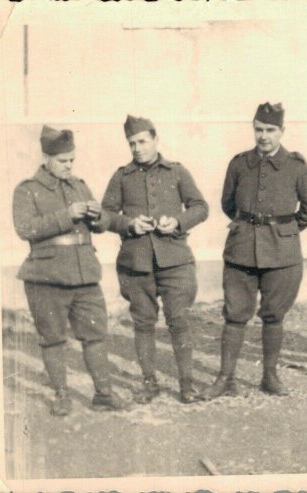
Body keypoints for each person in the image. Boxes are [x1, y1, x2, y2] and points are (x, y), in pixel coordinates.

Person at [201, 102, 307, 399]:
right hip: (241, 251)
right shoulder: (239, 164)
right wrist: (251, 228)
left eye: (270, 130)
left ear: (282, 131)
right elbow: (228, 204)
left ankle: (270, 376)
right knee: (234, 314)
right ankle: (225, 378)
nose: (264, 136)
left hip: (282, 255)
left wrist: (284, 231)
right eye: (259, 129)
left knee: (273, 315)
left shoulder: (297, 167)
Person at [13, 125, 125, 416]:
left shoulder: (79, 185)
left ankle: (103, 394)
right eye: (63, 161)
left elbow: (100, 226)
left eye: (72, 159)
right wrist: (67, 215)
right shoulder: (27, 190)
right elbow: (25, 228)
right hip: (46, 278)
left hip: (85, 275)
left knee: (96, 335)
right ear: (47, 157)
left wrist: (98, 216)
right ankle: (62, 395)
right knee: (52, 338)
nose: (69, 165)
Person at [101, 115, 209, 404]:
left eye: (142, 141)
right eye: (132, 143)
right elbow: (105, 215)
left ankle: (187, 384)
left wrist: (177, 221)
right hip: (136, 263)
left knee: (179, 320)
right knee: (143, 323)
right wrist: (129, 225)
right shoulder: (121, 176)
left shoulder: (177, 172)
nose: (137, 148)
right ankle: (149, 383)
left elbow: (200, 207)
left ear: (155, 140)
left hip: (175, 261)